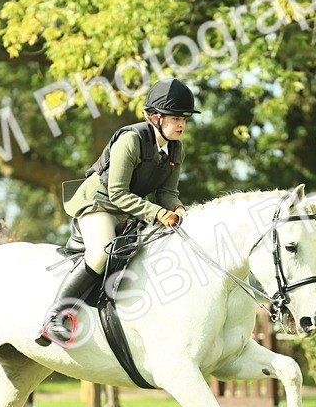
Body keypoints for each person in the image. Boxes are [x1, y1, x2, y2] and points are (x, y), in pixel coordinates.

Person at [36, 77, 199, 346]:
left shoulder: (175, 148)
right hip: (98, 205)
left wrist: (180, 210)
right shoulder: (131, 140)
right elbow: (118, 193)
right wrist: (158, 214)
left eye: (184, 119)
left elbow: (167, 193)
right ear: (155, 117)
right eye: (175, 118)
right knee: (101, 253)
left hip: (129, 210)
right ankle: (54, 316)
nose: (181, 124)